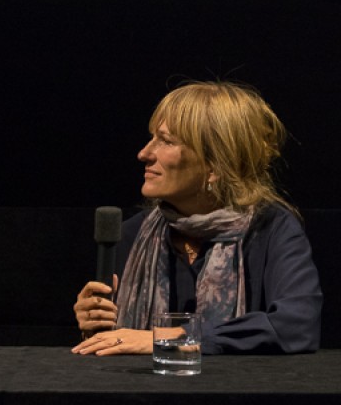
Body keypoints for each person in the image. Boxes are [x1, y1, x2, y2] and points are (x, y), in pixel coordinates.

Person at [72, 81, 322, 355]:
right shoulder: (134, 234)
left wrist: (171, 337)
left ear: (214, 164)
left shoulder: (271, 229)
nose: (144, 153)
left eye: (166, 141)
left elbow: (296, 325)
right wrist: (96, 325)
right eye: (151, 138)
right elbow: (123, 342)